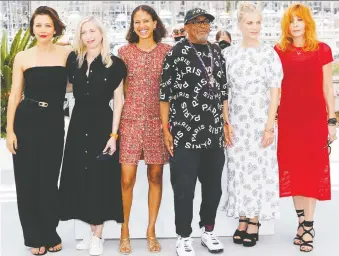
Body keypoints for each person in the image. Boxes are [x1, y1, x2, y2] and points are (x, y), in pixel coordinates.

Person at [160, 8, 228, 256]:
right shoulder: (175, 53)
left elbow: (223, 91)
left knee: (213, 188)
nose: (202, 26)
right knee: (184, 188)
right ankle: (184, 235)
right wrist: (166, 129)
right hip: (184, 133)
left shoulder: (216, 51)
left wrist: (226, 123)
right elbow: (165, 94)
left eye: (206, 23)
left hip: (213, 132)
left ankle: (207, 230)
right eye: (197, 22)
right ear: (186, 26)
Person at [58, 16, 126, 256]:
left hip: (101, 125)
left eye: (93, 31)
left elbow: (118, 101)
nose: (89, 36)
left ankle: (98, 236)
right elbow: (67, 86)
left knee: (99, 178)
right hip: (78, 124)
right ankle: (91, 233)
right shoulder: (73, 61)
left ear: (101, 33)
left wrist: (113, 135)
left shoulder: (115, 64)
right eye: (84, 32)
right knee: (81, 178)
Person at [6, 6, 70, 255]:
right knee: (26, 181)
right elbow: (14, 96)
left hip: (54, 122)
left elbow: (77, 84)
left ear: (55, 28)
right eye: (38, 25)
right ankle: (35, 237)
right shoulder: (23, 56)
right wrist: (10, 131)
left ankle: (49, 231)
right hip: (27, 120)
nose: (43, 29)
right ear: (32, 28)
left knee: (48, 180)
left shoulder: (67, 54)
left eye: (47, 25)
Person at [274, 3, 337, 252]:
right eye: (291, 21)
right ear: (286, 25)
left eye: (300, 20)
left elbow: (328, 89)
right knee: (293, 171)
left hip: (314, 120)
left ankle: (308, 225)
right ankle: (301, 222)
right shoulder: (278, 51)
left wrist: (331, 120)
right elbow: (274, 89)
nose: (296, 25)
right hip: (289, 120)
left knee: (311, 171)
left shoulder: (322, 50)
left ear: (307, 22)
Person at [222, 2, 282, 247]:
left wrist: (269, 126)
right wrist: (226, 122)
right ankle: (243, 218)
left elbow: (275, 92)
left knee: (258, 170)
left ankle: (255, 219)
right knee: (238, 170)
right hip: (236, 123)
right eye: (250, 22)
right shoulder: (229, 54)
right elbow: (224, 93)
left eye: (258, 22)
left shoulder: (269, 54)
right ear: (239, 25)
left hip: (260, 123)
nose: (255, 27)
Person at [117, 5, 171, 254]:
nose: (142, 26)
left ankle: (151, 230)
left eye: (146, 20)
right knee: (127, 179)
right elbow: (122, 89)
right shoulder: (124, 52)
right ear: (133, 25)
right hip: (130, 121)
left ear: (155, 23)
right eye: (137, 22)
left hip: (157, 123)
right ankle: (124, 230)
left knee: (155, 176)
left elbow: (170, 91)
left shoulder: (167, 52)